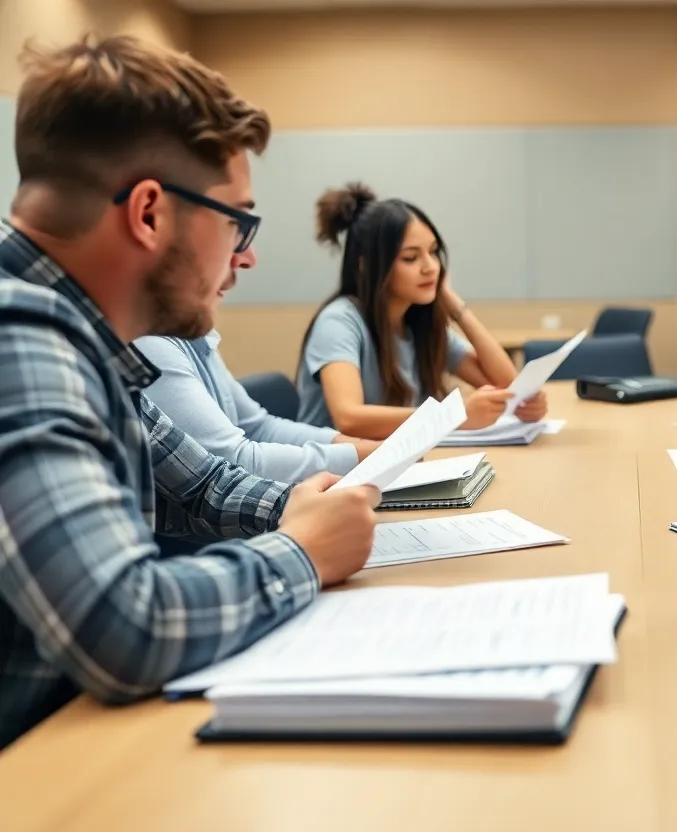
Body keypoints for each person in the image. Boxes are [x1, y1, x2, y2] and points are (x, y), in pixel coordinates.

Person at [0, 35, 381, 750]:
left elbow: (198, 485)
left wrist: (303, 507)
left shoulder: (81, 335)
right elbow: (124, 625)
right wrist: (301, 553)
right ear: (148, 213)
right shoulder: (18, 334)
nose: (248, 252)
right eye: (236, 217)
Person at [296, 184, 547, 438]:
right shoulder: (338, 323)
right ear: (367, 266)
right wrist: (452, 415)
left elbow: (507, 386)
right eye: (411, 258)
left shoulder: (417, 322)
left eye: (433, 252)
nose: (431, 267)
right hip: (332, 472)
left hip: (393, 465)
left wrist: (455, 307)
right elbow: (349, 418)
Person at [136, 322, 381, 482]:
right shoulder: (150, 345)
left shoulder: (196, 332)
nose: (248, 260)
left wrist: (357, 447)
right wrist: (364, 455)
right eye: (235, 245)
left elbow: (258, 428)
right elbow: (233, 465)